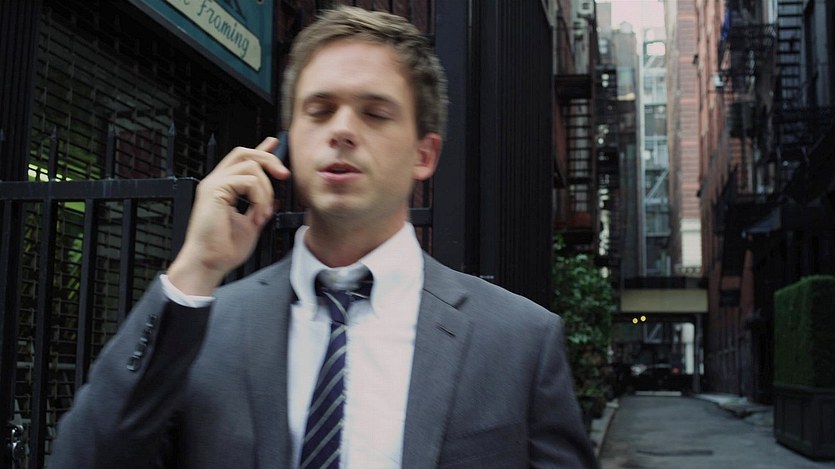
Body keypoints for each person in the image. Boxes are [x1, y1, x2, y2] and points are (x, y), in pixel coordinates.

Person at [49, 6, 597, 469]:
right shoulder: (205, 326)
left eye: (375, 113)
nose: (341, 129)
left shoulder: (519, 341)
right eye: (319, 110)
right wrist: (196, 266)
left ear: (424, 154)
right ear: (289, 140)